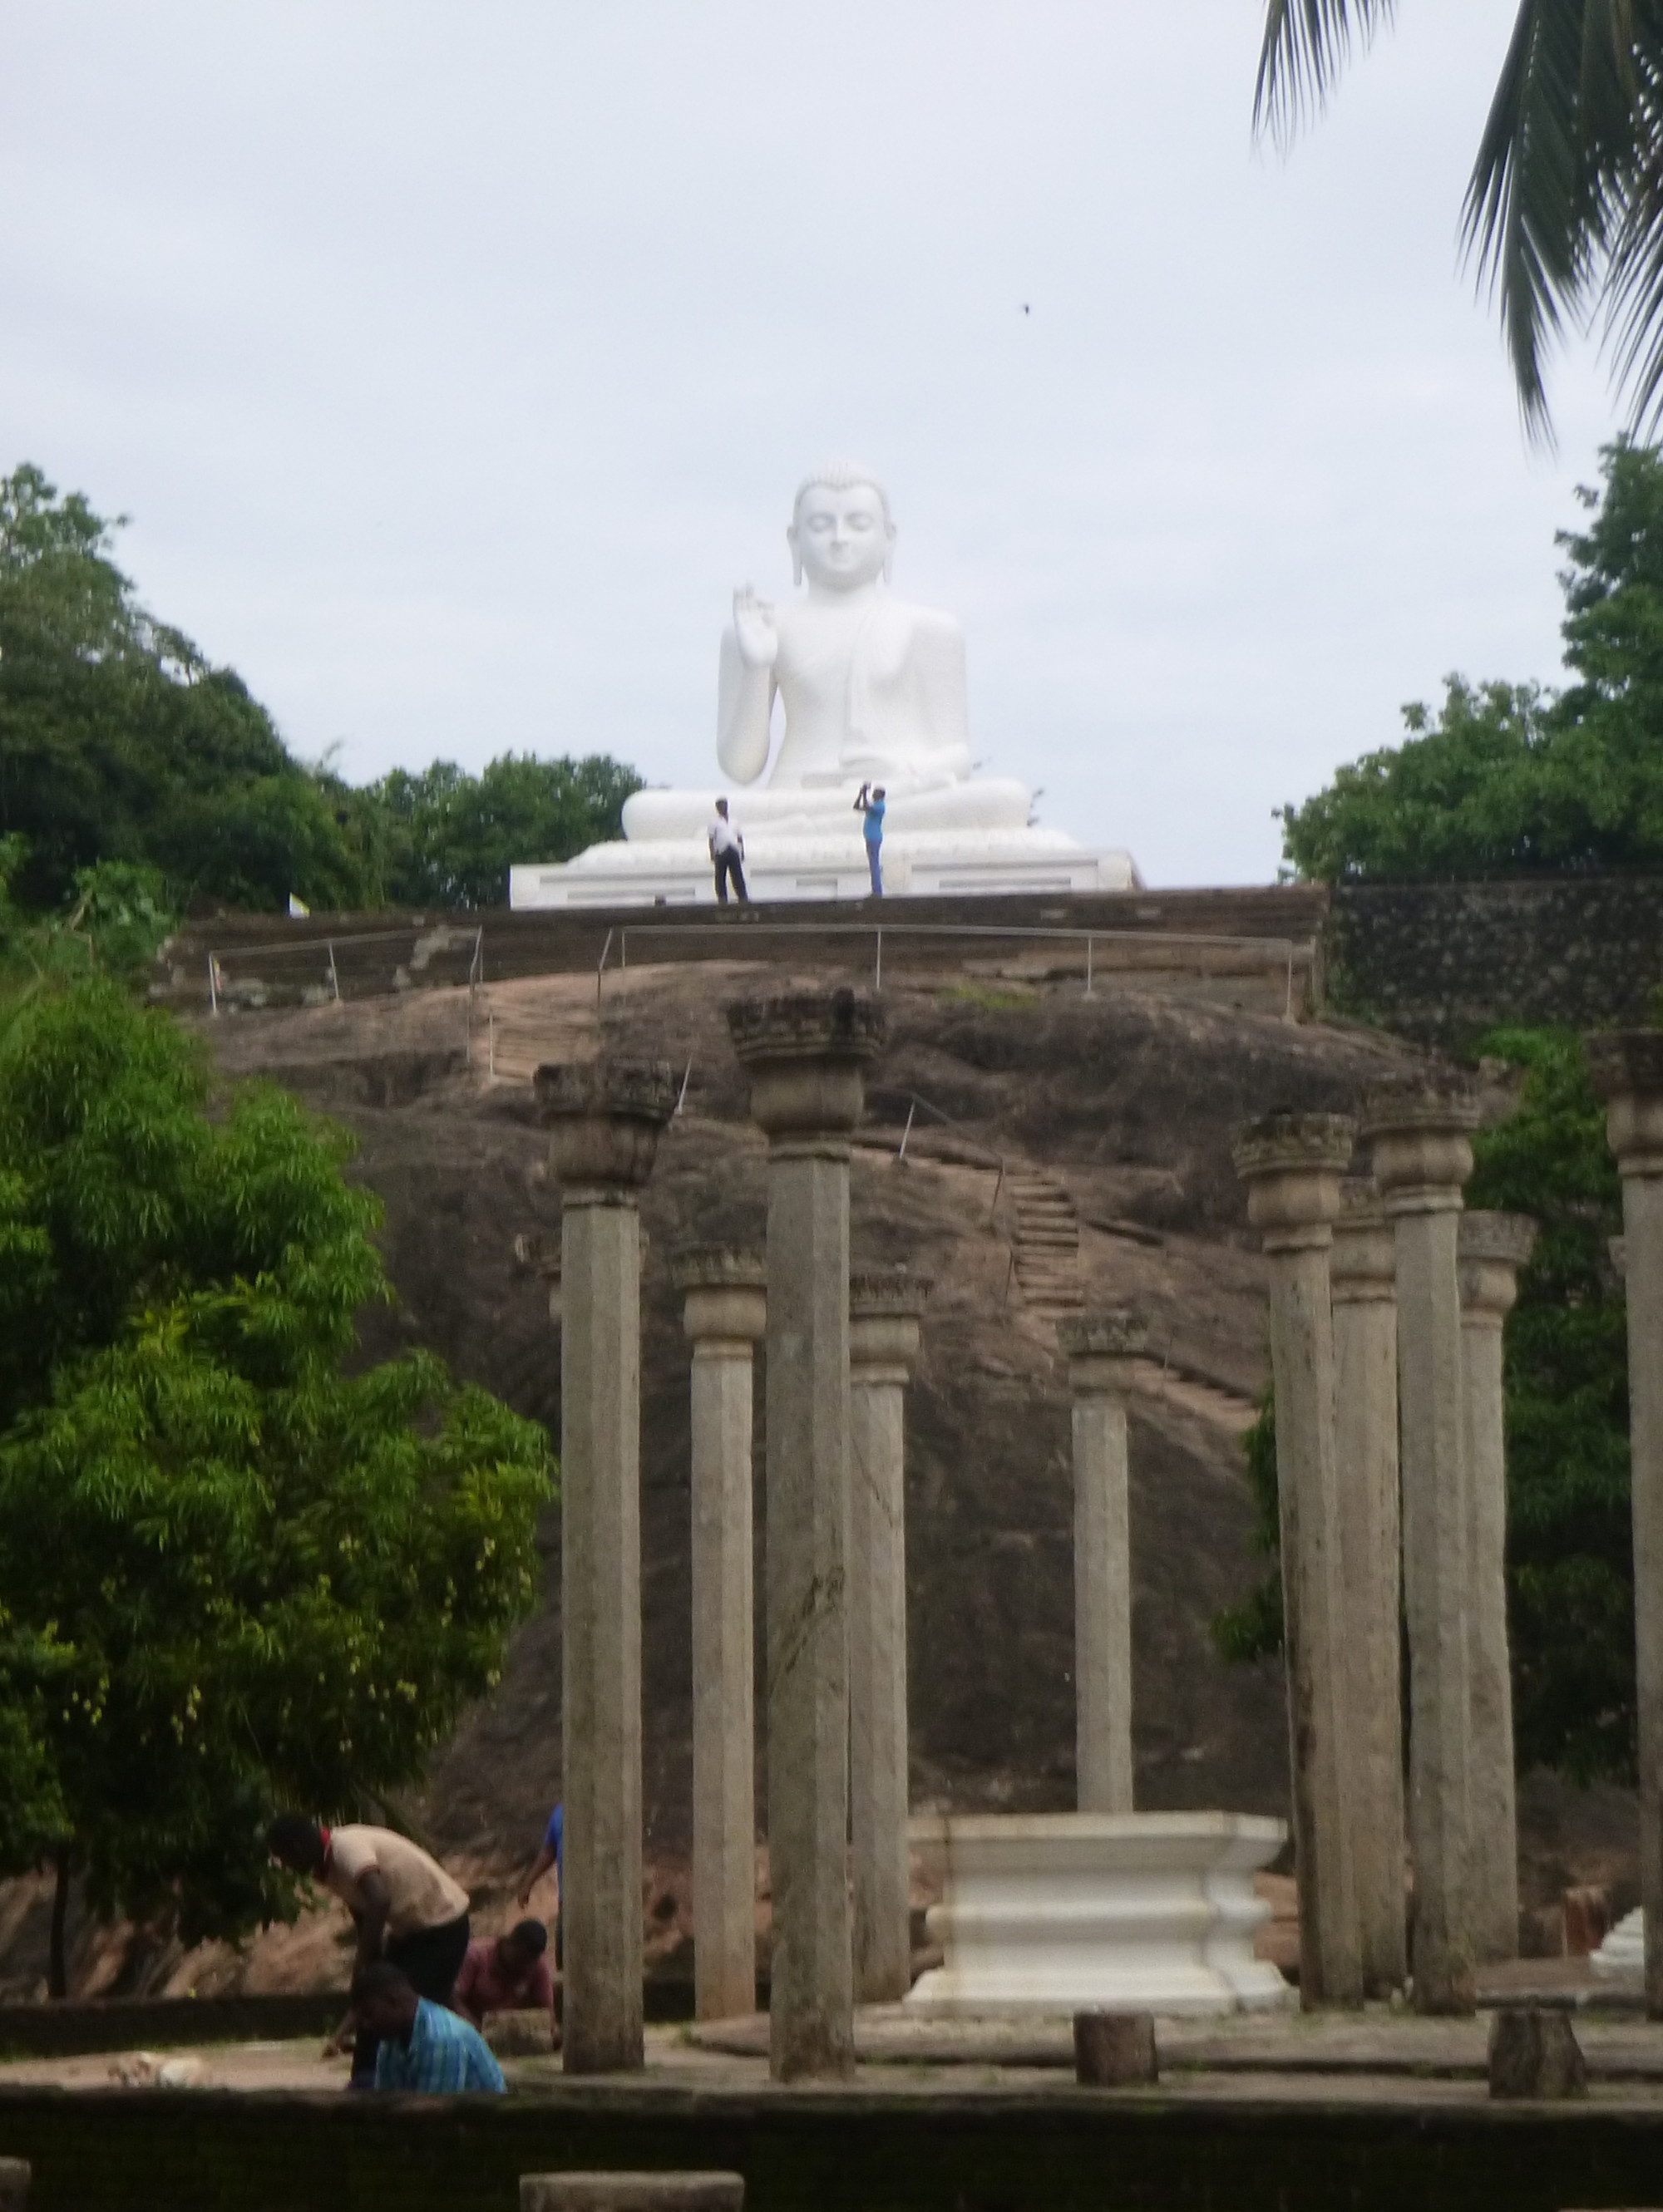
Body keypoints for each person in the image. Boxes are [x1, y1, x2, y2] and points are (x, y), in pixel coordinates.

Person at [266, 1813, 471, 2088]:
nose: (287, 1866)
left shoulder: (346, 1848)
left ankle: (422, 2083)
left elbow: (379, 1900)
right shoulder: (326, 1867)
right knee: (373, 2001)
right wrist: (368, 1972)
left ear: (298, 1848)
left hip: (442, 1925)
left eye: (285, 1858)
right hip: (410, 1930)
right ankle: (365, 2081)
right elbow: (363, 1911)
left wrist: (362, 1964)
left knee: (412, 2012)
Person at [352, 1962, 506, 2095]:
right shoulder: (391, 2037)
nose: (366, 2025)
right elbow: (384, 2097)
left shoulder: (441, 2038)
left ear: (392, 2002)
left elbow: (433, 2114)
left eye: (369, 2014)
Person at [453, 1919, 555, 2030]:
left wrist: (552, 2030)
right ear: (509, 1943)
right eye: (521, 1959)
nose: (524, 1967)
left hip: (513, 2031)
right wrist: (475, 2030)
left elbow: (547, 2012)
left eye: (529, 1963)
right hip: (473, 2026)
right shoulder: (476, 1955)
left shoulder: (537, 1966)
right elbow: (454, 1998)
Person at [517, 1801, 562, 1972]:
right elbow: (549, 1850)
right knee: (566, 1960)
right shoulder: (560, 1813)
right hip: (568, 1902)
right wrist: (528, 1884)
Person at [707, 797, 748, 904]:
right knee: (720, 876)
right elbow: (711, 839)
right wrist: (712, 853)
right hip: (721, 851)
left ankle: (742, 897)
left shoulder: (734, 821)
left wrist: (742, 851)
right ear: (717, 809)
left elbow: (739, 837)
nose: (723, 808)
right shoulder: (714, 822)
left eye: (724, 805)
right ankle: (722, 898)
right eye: (720, 806)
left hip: (733, 849)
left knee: (737, 875)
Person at [855, 781, 886, 896]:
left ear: (880, 796)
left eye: (875, 793)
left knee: (874, 864)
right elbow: (856, 807)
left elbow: (867, 806)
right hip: (870, 837)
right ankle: (876, 890)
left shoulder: (880, 806)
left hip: (874, 837)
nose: (873, 794)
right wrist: (861, 793)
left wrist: (864, 794)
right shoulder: (875, 806)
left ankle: (877, 891)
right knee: (873, 864)